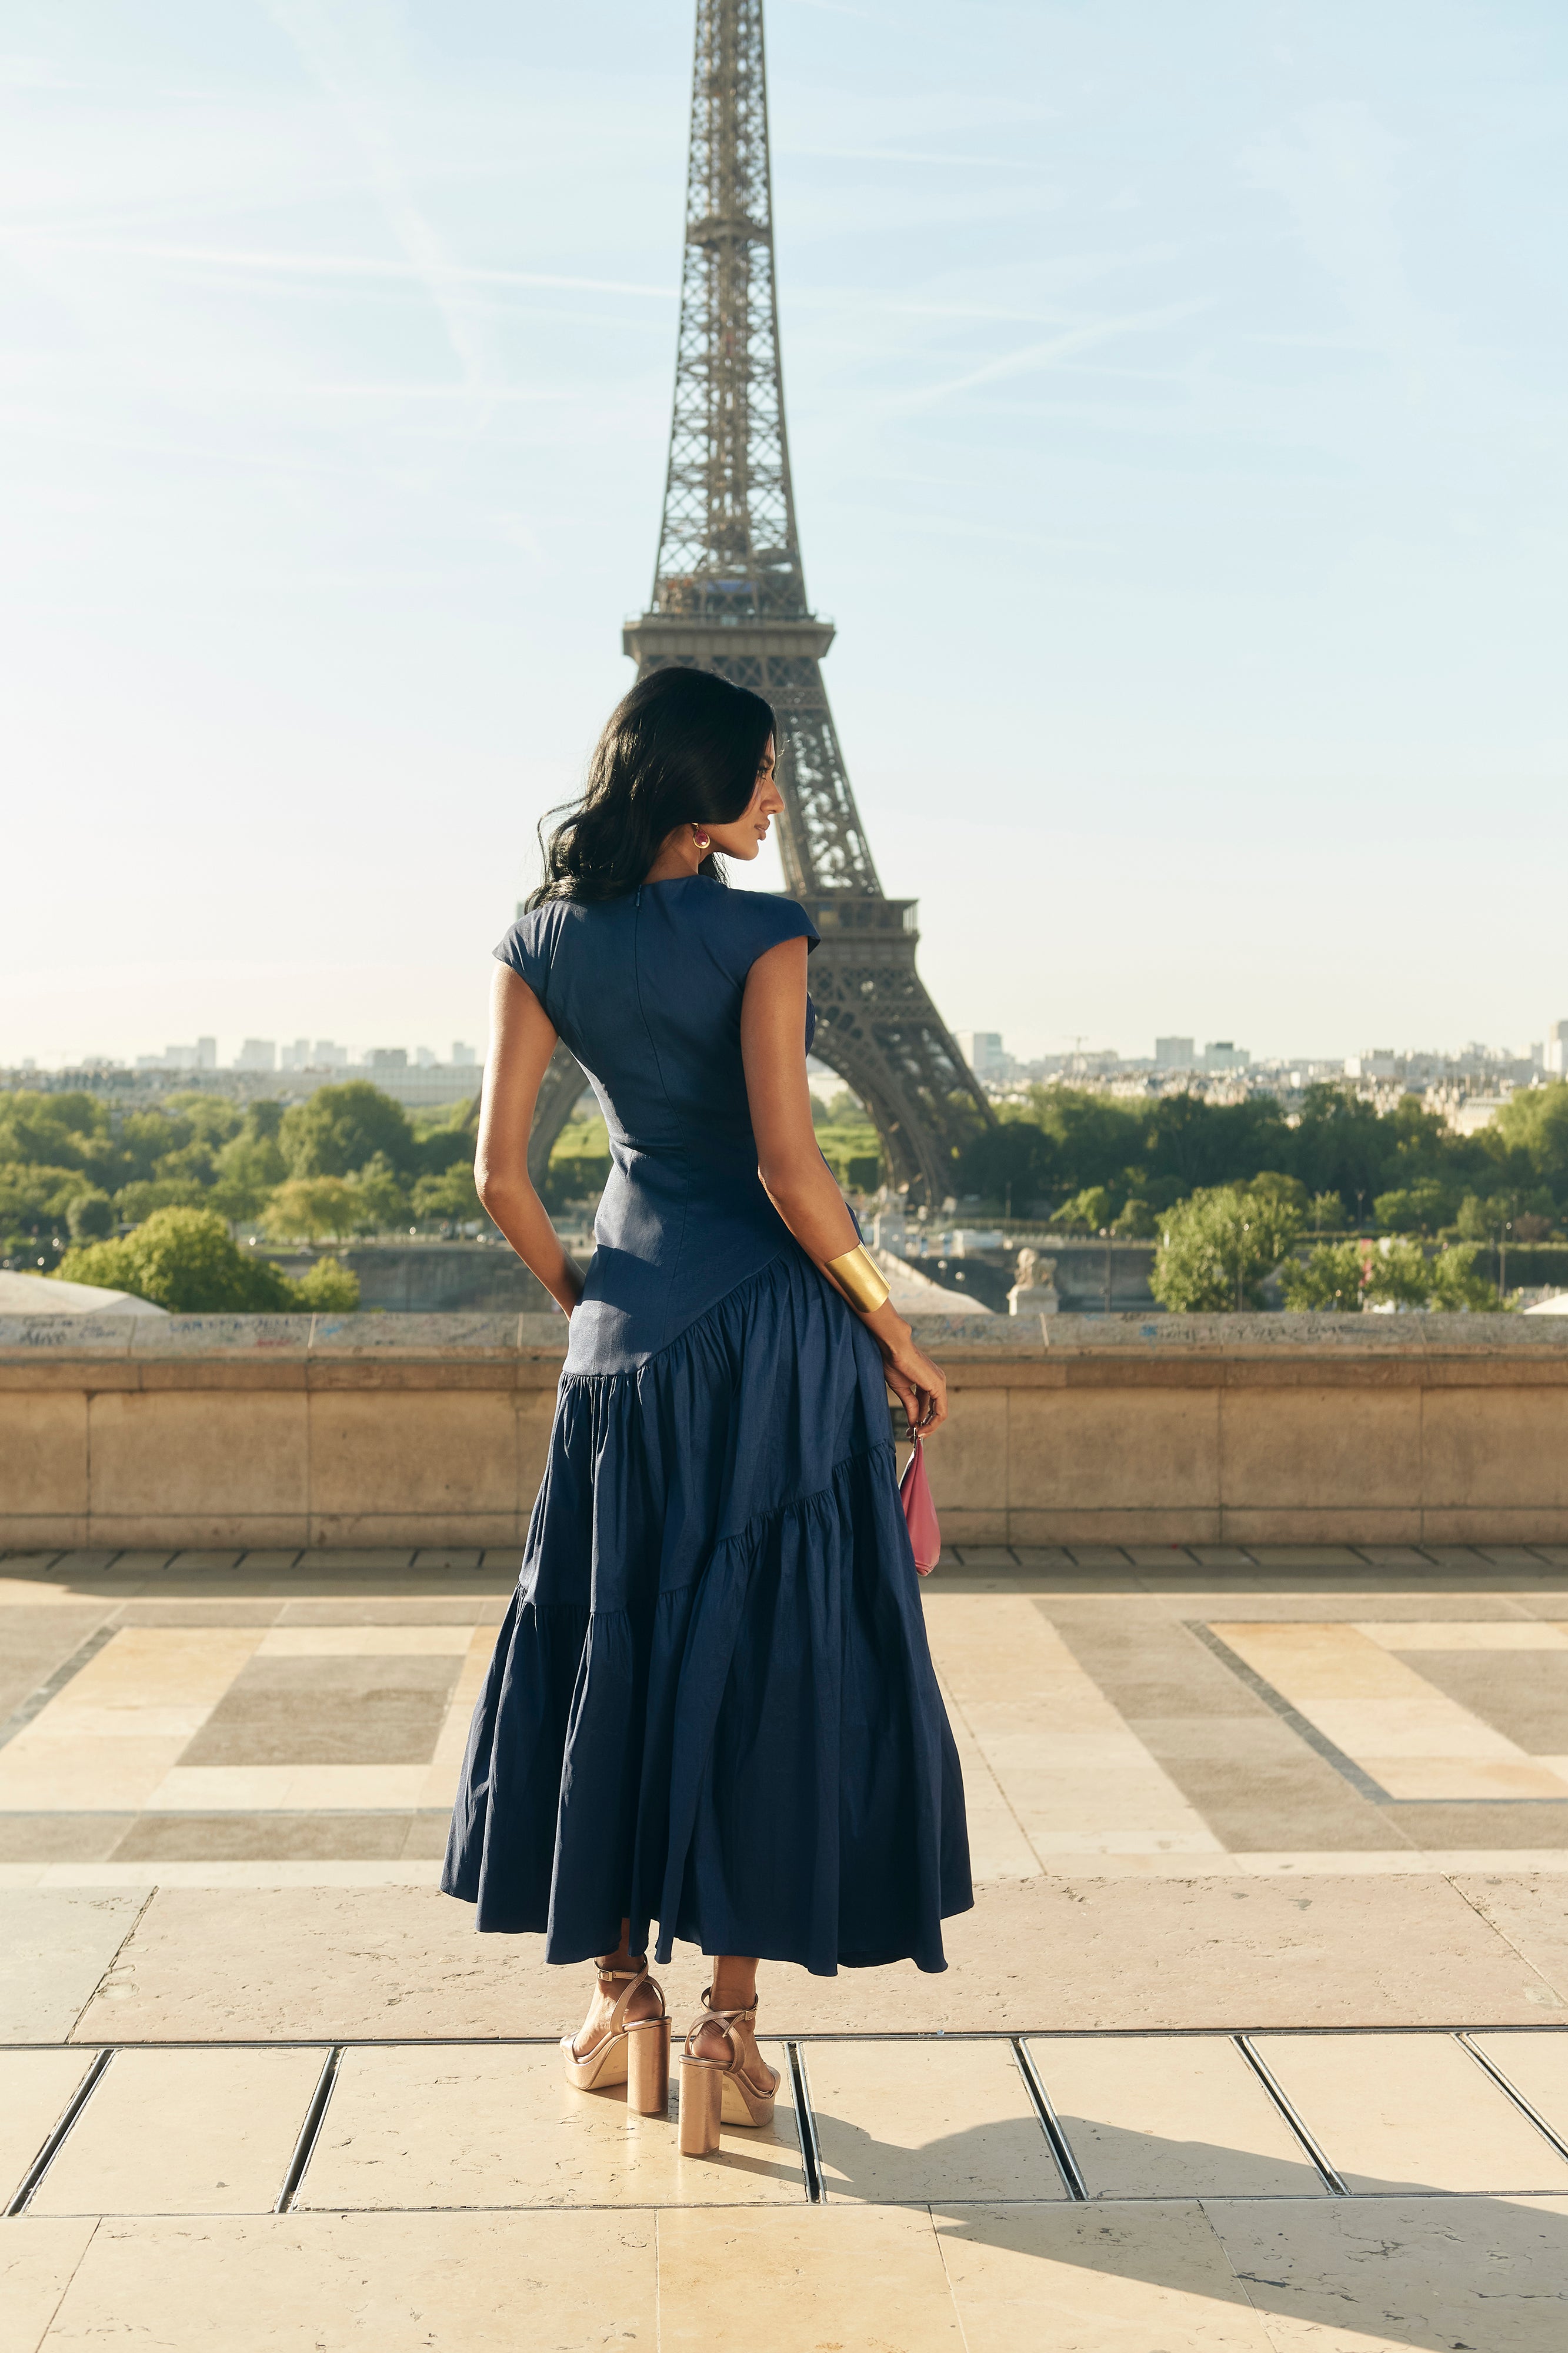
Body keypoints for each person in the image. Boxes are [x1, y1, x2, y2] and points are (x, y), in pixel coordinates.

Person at [442, 666, 971, 2150]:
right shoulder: (763, 929)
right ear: (702, 782)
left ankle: (628, 2009)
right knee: (766, 1660)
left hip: (625, 1342)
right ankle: (732, 2039)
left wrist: (589, 1302)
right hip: (777, 1350)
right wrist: (892, 1320)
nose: (778, 798)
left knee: (619, 1639)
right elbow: (795, 1174)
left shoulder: (539, 938)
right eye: (759, 774)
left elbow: (499, 1177)